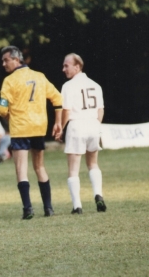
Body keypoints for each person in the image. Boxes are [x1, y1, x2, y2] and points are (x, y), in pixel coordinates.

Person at [0, 46, 62, 219]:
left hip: (20, 129)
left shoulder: (9, 81)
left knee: (21, 169)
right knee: (39, 167)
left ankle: (28, 209)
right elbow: (57, 99)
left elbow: (2, 109)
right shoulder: (40, 76)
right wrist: (58, 123)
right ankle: (48, 208)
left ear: (16, 59)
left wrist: (9, 115)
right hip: (38, 128)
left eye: (6, 60)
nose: (3, 64)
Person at [56, 53, 107, 214]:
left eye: (66, 65)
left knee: (73, 169)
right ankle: (98, 194)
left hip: (77, 125)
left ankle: (77, 206)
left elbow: (66, 110)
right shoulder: (95, 85)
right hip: (93, 124)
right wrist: (97, 125)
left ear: (77, 67)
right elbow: (100, 110)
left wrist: (60, 128)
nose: (63, 69)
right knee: (93, 164)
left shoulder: (68, 86)